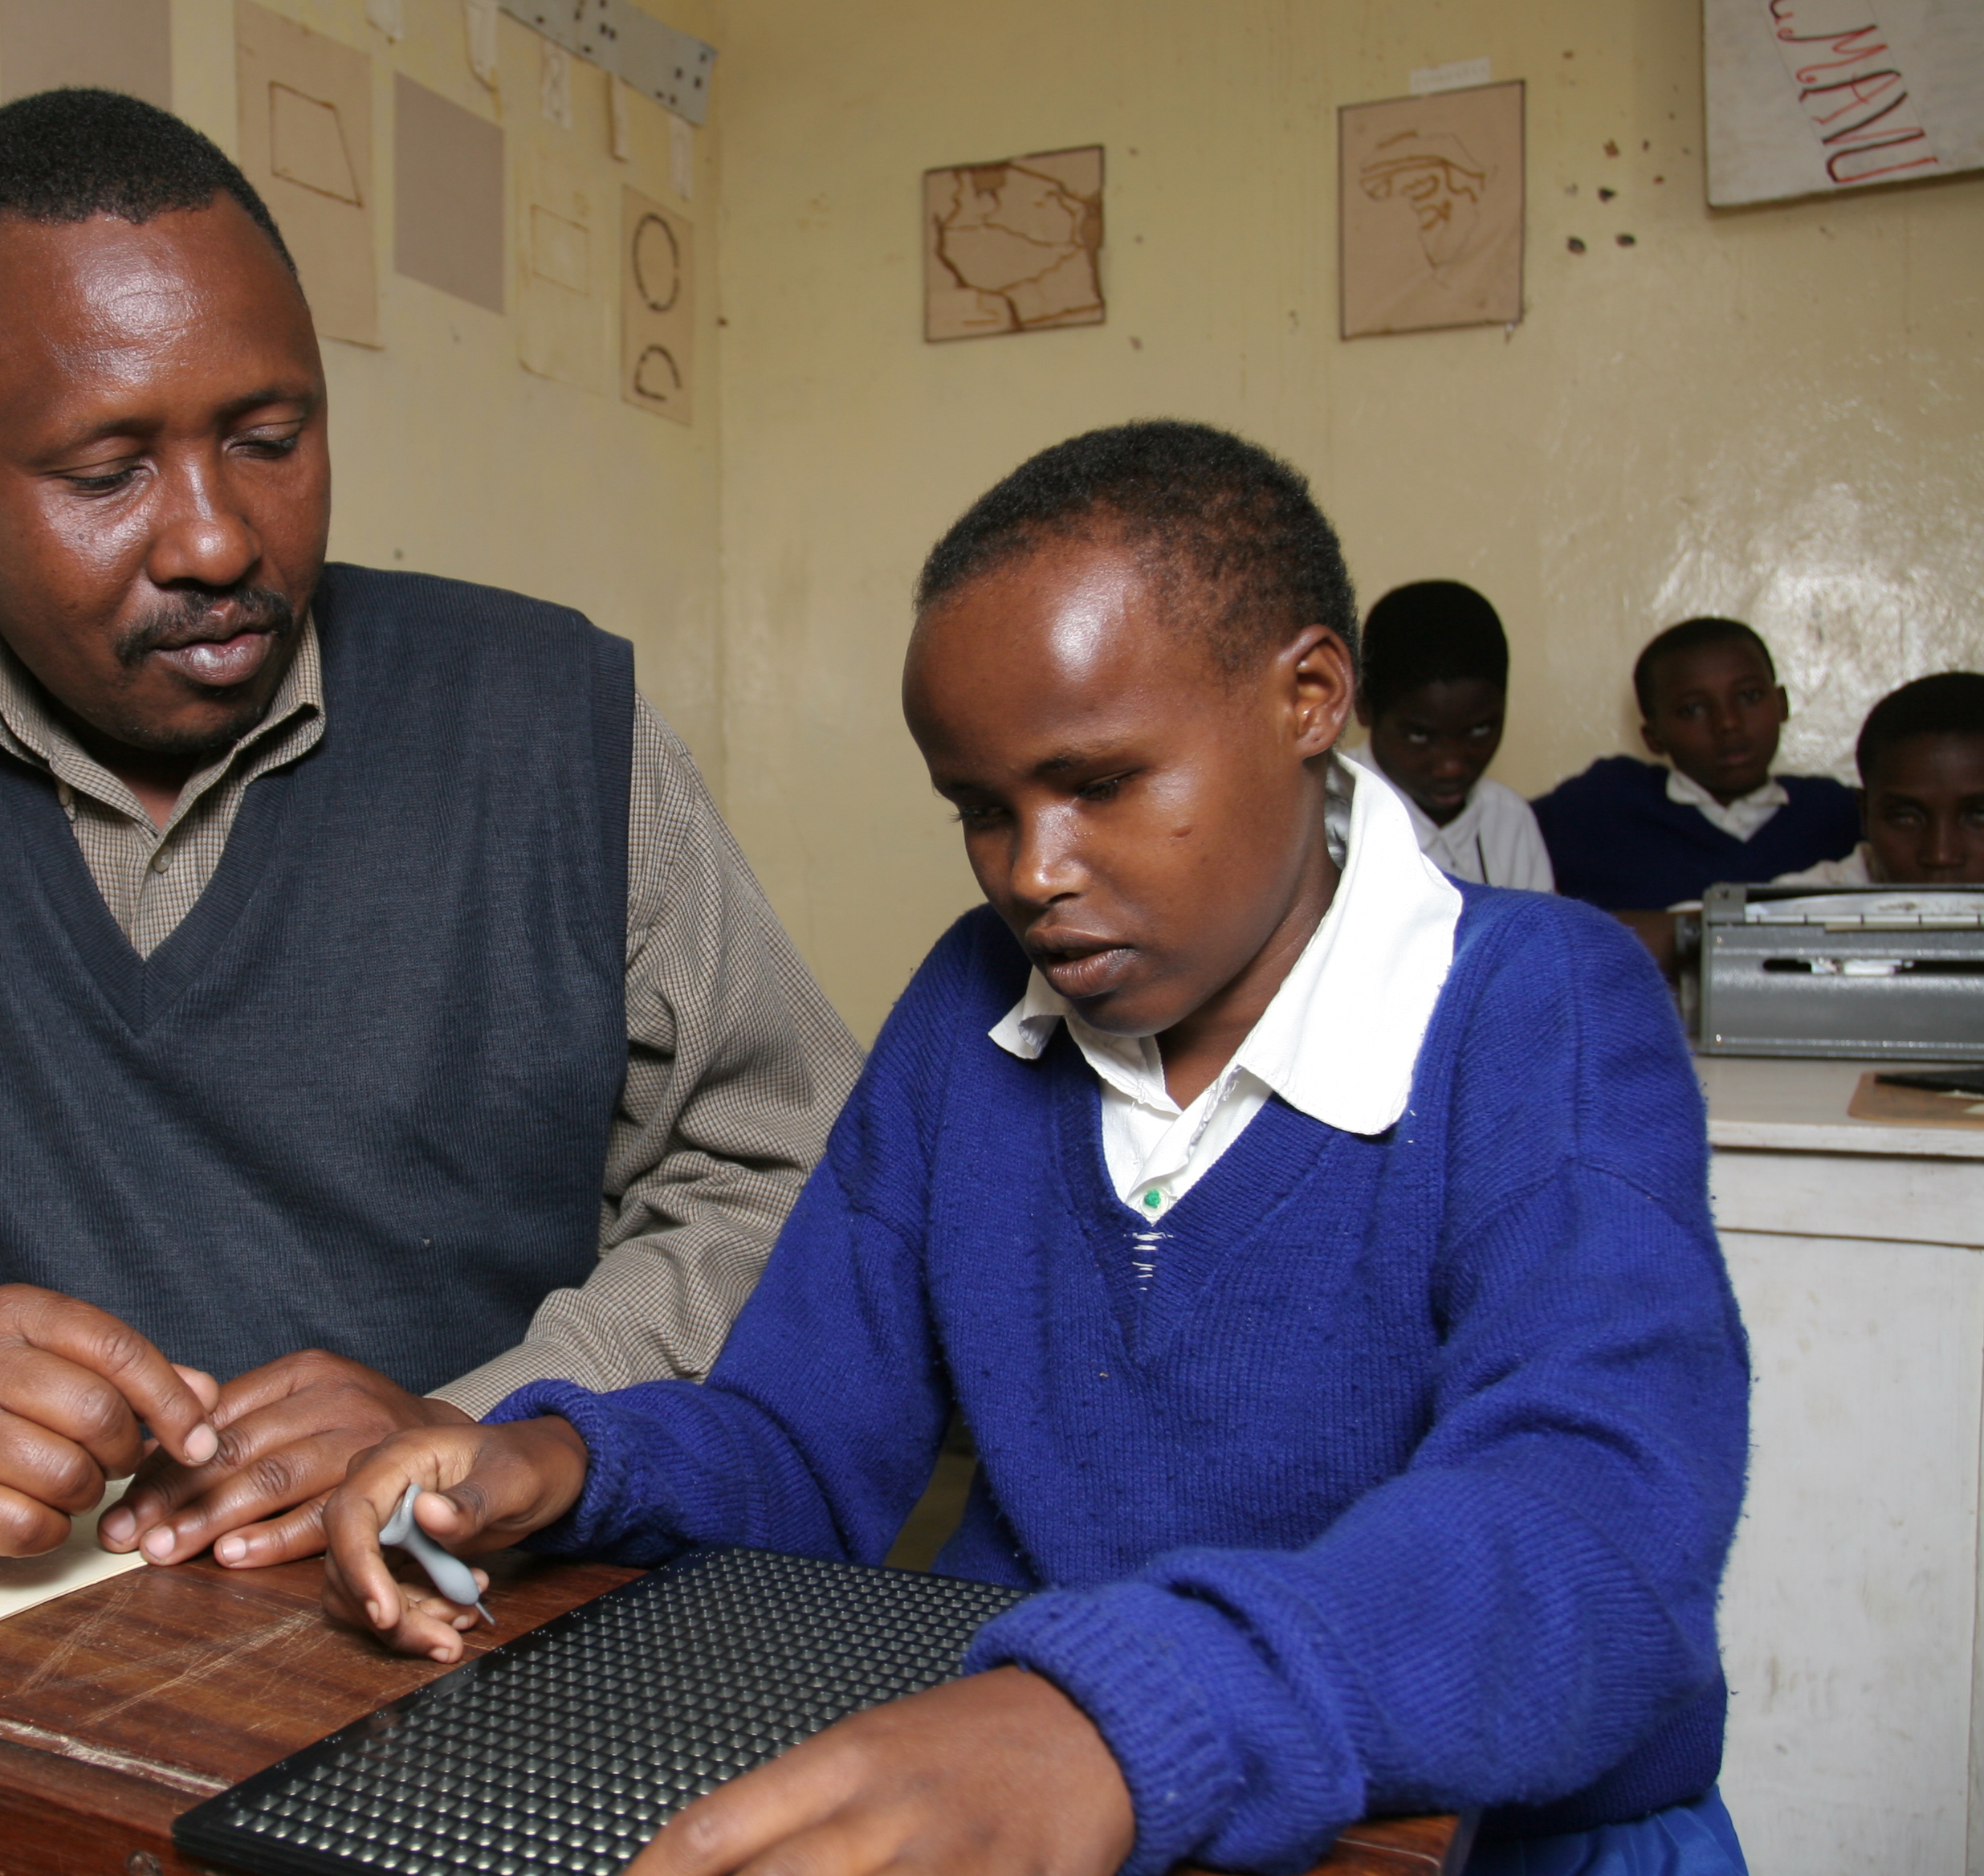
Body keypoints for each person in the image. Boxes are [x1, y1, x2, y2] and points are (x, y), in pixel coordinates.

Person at [323, 423, 1752, 1876]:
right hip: (1037, 1788)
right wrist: (569, 1458)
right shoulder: (968, 1009)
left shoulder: (1539, 1007)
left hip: (1463, 1834)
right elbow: (804, 1441)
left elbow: (1590, 1533)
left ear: (1307, 696)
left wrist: (1110, 1725)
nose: (1032, 873)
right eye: (979, 811)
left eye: (1100, 783)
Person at [0, 89, 859, 1573]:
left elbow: (795, 1181)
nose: (214, 539)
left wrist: (488, 1430)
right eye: (105, 473)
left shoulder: (553, 728)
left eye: (269, 439)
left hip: (476, 1626)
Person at [1532, 616, 1856, 911]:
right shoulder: (1602, 805)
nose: (1727, 722)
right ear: (1653, 737)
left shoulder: (1836, 813)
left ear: (1782, 704)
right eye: (1692, 710)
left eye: (1750, 696)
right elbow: (1494, 832)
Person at [1346, 579, 1552, 891]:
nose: (1451, 767)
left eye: (1480, 730)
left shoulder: (1510, 822)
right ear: (1363, 708)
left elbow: (1541, 938)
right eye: (1419, 736)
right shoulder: (1324, 819)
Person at [1772, 671, 1984, 886]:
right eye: (1906, 818)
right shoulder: (1794, 907)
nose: (1941, 856)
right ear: (1865, 814)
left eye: (1980, 817)